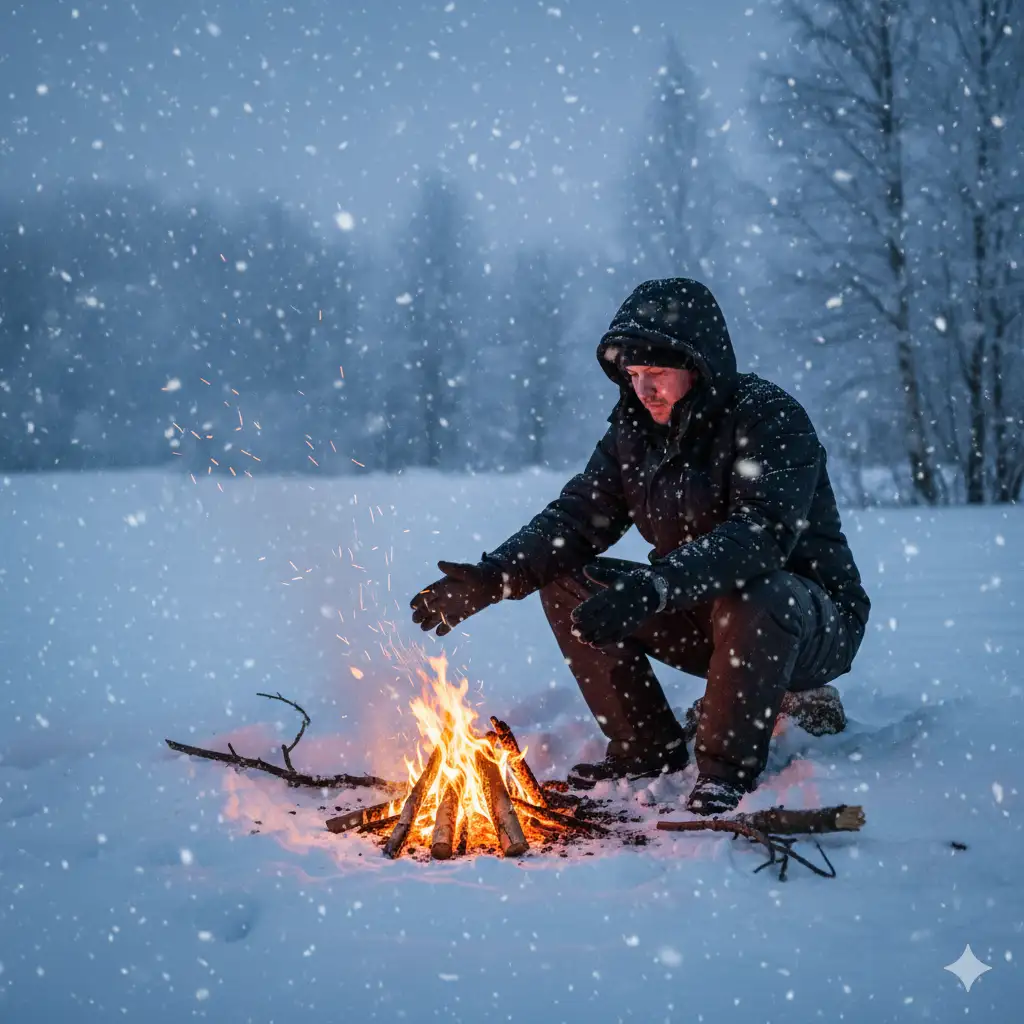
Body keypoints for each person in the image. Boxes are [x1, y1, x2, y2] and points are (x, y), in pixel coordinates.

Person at [410, 278, 870, 815]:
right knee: (568, 581)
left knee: (758, 592)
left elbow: (759, 537)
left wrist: (655, 588)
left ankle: (724, 773)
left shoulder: (769, 418)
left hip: (807, 621)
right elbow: (576, 519)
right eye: (632, 375)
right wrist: (497, 576)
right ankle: (646, 748)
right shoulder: (634, 431)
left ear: (699, 366)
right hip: (698, 609)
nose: (643, 389)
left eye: (657, 373)